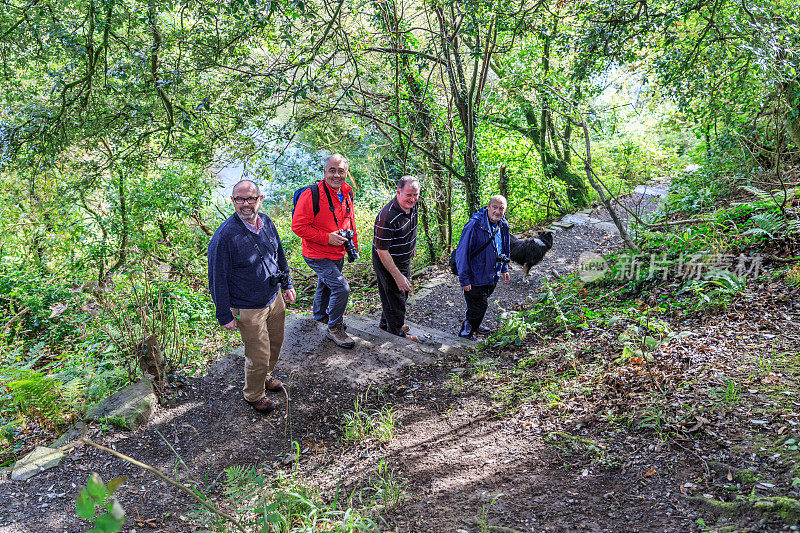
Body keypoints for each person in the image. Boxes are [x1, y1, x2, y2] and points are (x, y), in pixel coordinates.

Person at [207, 180, 296, 413]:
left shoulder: (266, 221)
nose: (245, 204)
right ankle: (254, 394)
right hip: (247, 307)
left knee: (275, 344)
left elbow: (279, 254)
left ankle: (265, 377)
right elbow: (217, 280)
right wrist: (224, 315)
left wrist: (286, 284)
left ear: (260, 199)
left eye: (250, 199)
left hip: (273, 297)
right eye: (240, 199)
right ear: (233, 201)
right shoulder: (224, 237)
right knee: (258, 354)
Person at [291, 154, 358, 348]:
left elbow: (349, 220)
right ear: (324, 172)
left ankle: (320, 317)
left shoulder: (347, 192)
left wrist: (352, 243)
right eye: (332, 170)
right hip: (316, 253)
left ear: (346, 173)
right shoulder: (311, 194)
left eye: (341, 171)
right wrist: (327, 237)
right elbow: (298, 227)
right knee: (340, 287)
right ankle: (335, 328)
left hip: (338, 251)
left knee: (326, 283)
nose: (336, 175)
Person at [454, 195, 511, 339]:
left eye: (501, 208)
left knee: (479, 303)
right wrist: (464, 279)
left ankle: (475, 326)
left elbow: (505, 247)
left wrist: (504, 268)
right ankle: (466, 333)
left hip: (492, 273)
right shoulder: (474, 225)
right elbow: (462, 253)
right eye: (495, 207)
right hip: (475, 274)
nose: (497, 211)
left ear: (505, 210)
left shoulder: (502, 224)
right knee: (480, 305)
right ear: (488, 206)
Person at [372, 175, 421, 342]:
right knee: (396, 295)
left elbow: (411, 226)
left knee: (400, 293)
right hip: (386, 258)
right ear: (398, 193)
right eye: (408, 195)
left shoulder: (413, 206)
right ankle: (396, 333)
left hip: (403, 256)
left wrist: (411, 249)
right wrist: (397, 275)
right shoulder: (387, 217)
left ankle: (386, 324)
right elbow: (382, 251)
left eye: (415, 195)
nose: (412, 199)